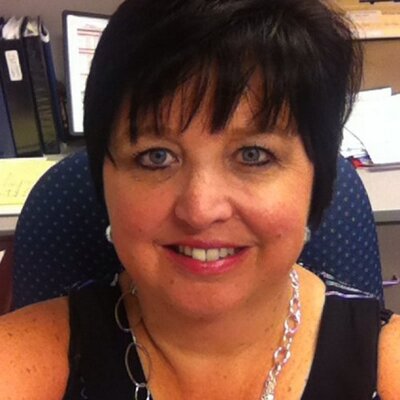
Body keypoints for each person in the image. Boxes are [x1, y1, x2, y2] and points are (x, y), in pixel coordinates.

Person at [0, 0, 399, 399]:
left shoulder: (388, 364)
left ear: (316, 179)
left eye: (253, 155)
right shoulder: (21, 364)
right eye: (157, 157)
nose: (200, 210)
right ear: (104, 182)